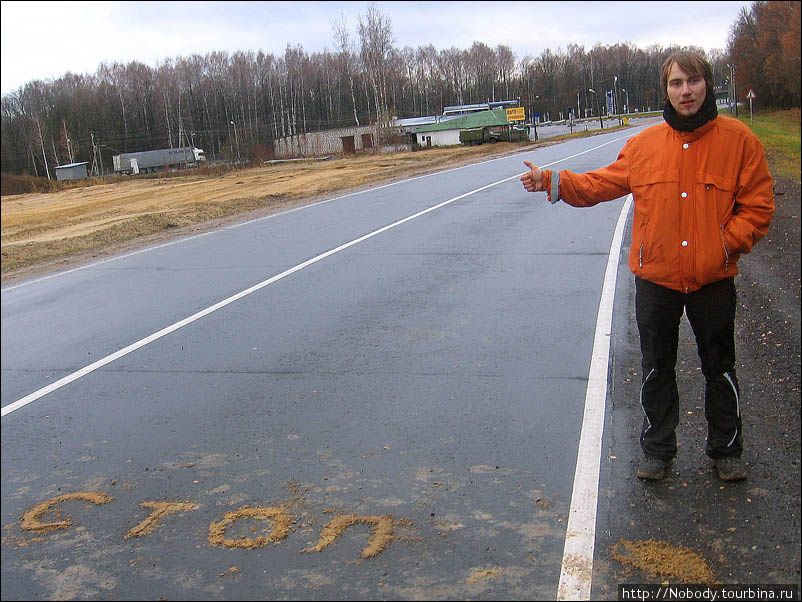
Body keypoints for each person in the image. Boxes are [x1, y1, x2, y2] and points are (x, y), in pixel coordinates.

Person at [520, 51, 774, 481]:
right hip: (657, 279)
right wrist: (554, 180)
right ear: (667, 90)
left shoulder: (739, 141)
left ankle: (726, 451)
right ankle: (658, 452)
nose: (685, 91)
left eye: (692, 81)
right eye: (676, 83)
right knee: (657, 366)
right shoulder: (645, 145)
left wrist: (723, 246)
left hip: (713, 279)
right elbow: (602, 183)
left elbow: (758, 205)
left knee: (719, 365)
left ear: (707, 84)